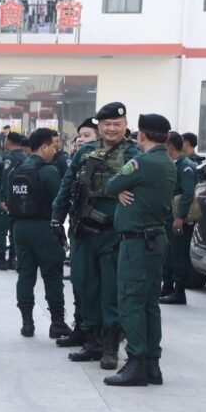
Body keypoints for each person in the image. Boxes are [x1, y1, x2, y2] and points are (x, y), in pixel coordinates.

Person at [53, 102, 140, 371]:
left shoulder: (135, 153)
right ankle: (92, 341)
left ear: (125, 126)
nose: (111, 129)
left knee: (110, 290)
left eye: (117, 124)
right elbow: (68, 184)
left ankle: (111, 346)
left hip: (114, 233)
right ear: (98, 126)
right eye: (106, 124)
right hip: (84, 230)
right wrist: (57, 216)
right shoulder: (86, 152)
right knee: (84, 284)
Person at [102, 114, 176, 387]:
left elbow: (111, 185)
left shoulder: (142, 163)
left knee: (130, 302)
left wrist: (121, 190)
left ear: (141, 136)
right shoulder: (167, 162)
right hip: (155, 239)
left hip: (137, 243)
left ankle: (135, 364)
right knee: (149, 304)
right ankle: (152, 365)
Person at [8, 129, 71, 339]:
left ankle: (27, 323)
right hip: (45, 228)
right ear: (43, 147)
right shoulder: (48, 171)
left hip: (20, 229)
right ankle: (57, 323)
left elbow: (8, 201)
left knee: (25, 275)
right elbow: (60, 201)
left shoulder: (16, 170)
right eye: (53, 146)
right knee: (52, 275)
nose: (55, 151)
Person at [55, 118, 101, 350]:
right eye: (80, 136)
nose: (82, 140)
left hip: (100, 232)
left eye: (87, 136)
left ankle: (98, 335)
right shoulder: (76, 160)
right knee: (78, 282)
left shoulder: (108, 159)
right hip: (78, 228)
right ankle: (80, 328)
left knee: (95, 286)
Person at [159, 132, 197, 306]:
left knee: (178, 254)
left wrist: (180, 217)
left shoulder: (186, 166)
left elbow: (187, 194)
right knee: (168, 253)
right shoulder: (172, 164)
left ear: (170, 147)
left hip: (178, 216)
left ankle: (179, 291)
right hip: (168, 215)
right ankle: (167, 287)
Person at [0, 133, 25, 271]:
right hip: (21, 199)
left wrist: (3, 200)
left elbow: (7, 180)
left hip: (8, 200)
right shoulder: (25, 157)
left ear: (9, 142)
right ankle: (12, 259)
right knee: (14, 230)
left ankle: (1, 258)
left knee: (0, 229)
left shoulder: (9, 158)